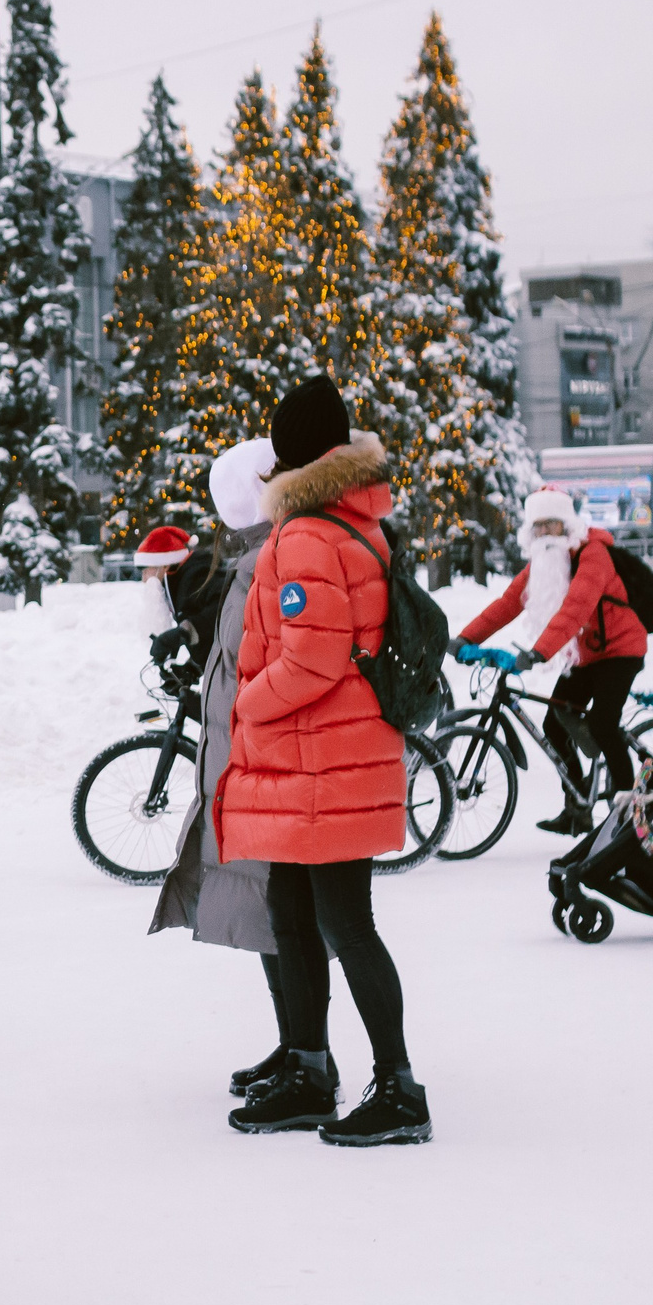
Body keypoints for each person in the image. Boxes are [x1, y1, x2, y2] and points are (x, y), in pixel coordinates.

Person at [215, 376, 429, 1146]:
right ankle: (308, 1067)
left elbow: (311, 660)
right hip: (333, 760)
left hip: (319, 764)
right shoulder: (354, 521)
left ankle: (399, 1087)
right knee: (298, 914)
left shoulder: (307, 533)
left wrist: (247, 703)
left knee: (341, 922)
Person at [150, 441, 341, 1107]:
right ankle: (297, 1046)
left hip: (274, 760)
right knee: (270, 914)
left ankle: (312, 1059)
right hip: (253, 759)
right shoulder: (253, 559)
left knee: (288, 916)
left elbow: (292, 661)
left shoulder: (279, 557)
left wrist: (248, 713)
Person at [453, 485, 648, 833]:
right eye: (538, 525)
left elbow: (575, 609)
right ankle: (578, 808)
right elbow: (508, 603)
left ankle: (630, 811)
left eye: (551, 524)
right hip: (587, 656)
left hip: (621, 650)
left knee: (603, 723)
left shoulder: (593, 555)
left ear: (566, 525)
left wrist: (540, 651)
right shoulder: (546, 562)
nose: (544, 532)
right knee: (554, 726)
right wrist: (467, 637)